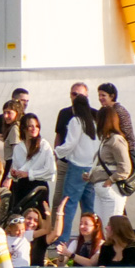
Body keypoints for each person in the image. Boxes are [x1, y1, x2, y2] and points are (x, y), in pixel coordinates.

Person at [54, 91, 100, 235]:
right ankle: (91, 238)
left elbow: (70, 144)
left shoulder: (76, 121)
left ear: (75, 108)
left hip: (77, 167)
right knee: (89, 207)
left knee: (69, 204)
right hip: (91, 167)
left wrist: (56, 152)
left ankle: (63, 239)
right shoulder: (93, 122)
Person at [84, 106, 132, 225]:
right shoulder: (106, 141)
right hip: (100, 190)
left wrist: (110, 180)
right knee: (101, 229)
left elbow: (125, 167)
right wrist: (91, 176)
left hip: (110, 190)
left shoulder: (116, 140)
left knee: (111, 227)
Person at [6, 113, 54, 217]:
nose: (34, 129)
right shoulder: (19, 147)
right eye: (31, 126)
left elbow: (50, 171)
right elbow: (15, 167)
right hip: (21, 187)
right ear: (24, 128)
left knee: (38, 218)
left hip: (38, 187)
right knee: (19, 217)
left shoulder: (44, 145)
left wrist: (29, 174)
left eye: (36, 126)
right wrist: (14, 173)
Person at [97, 82, 134, 149]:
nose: (100, 98)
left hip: (121, 147)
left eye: (103, 95)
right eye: (99, 95)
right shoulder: (104, 110)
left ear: (112, 96)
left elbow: (127, 133)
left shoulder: (119, 110)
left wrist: (127, 150)